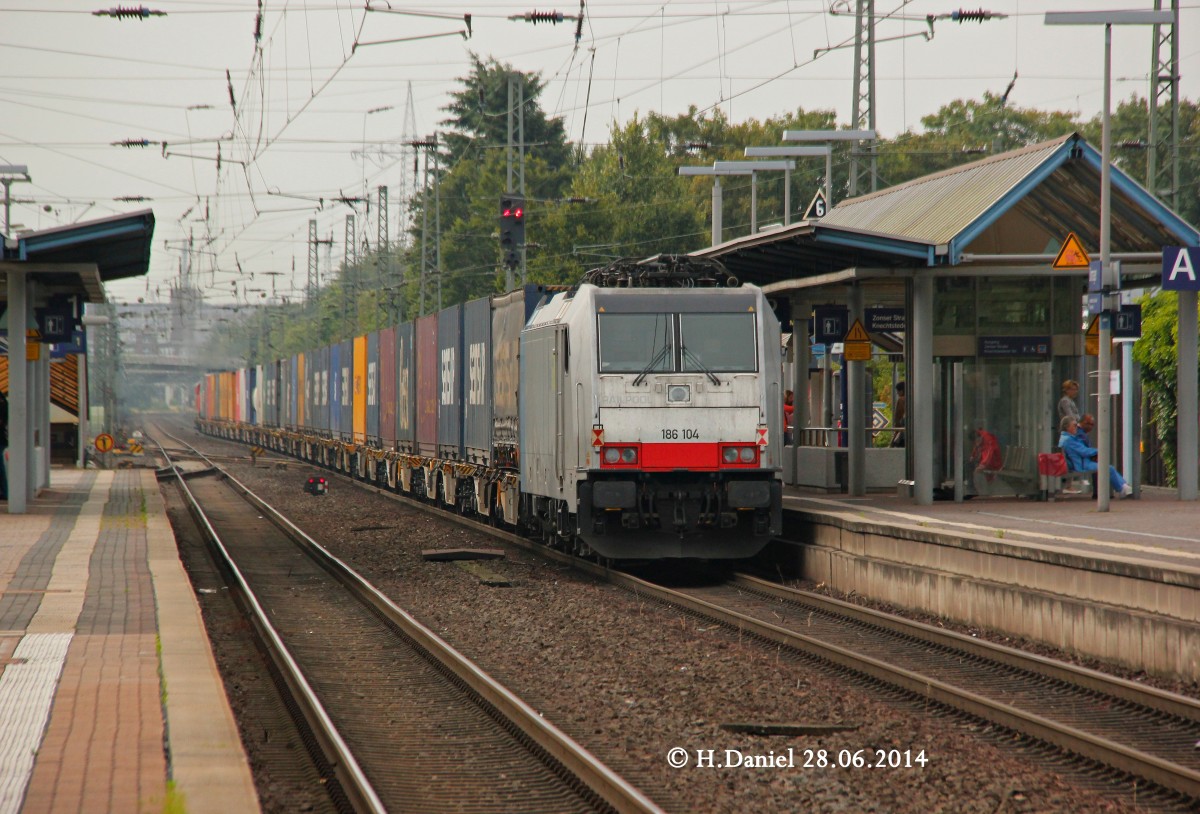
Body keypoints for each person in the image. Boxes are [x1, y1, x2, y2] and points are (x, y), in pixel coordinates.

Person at [1058, 415, 1132, 498]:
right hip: (1081, 465)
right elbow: (1084, 451)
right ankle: (1122, 488)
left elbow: (1081, 450)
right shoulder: (1069, 440)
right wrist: (1099, 451)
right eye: (1074, 425)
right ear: (1067, 427)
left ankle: (1123, 486)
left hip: (1078, 462)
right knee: (1108, 468)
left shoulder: (1066, 438)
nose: (1076, 428)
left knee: (1107, 467)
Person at [889, 381, 906, 447]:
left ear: (901, 391)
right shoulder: (914, 398)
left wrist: (896, 432)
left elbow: (898, 417)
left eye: (898, 391)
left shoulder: (901, 400)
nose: (897, 393)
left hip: (903, 434)